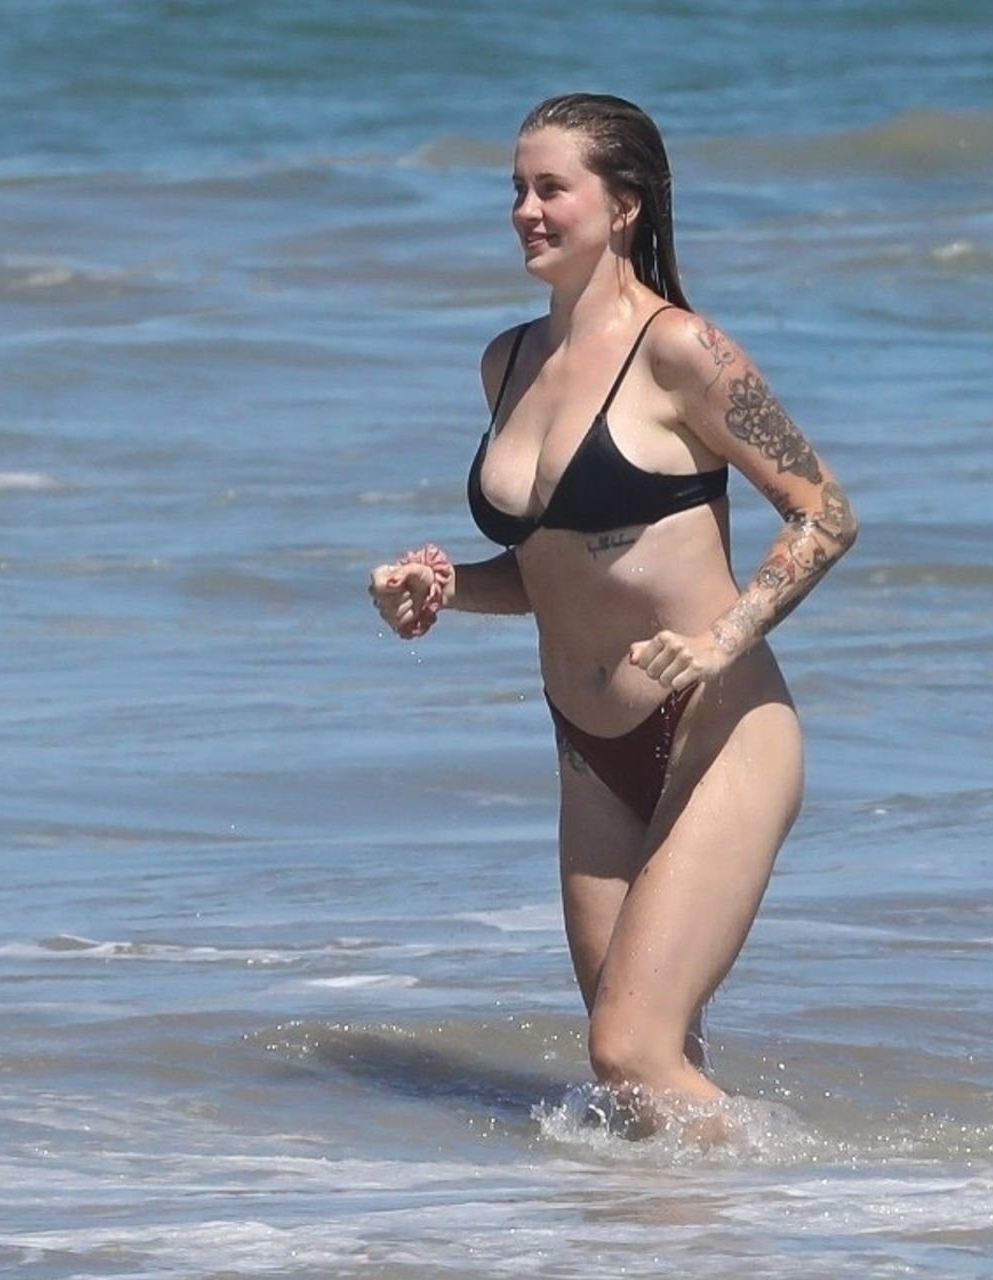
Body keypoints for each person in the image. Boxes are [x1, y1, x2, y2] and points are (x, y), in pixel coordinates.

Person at [368, 92, 857, 1138]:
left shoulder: (682, 351)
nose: (526, 211)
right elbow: (550, 571)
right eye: (516, 189)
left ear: (624, 205)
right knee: (642, 1089)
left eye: (552, 188)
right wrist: (447, 586)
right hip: (591, 753)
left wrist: (726, 635)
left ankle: (841, 1200)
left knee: (627, 1051)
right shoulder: (508, 363)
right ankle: (700, 1226)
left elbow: (826, 513)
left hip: (720, 731)